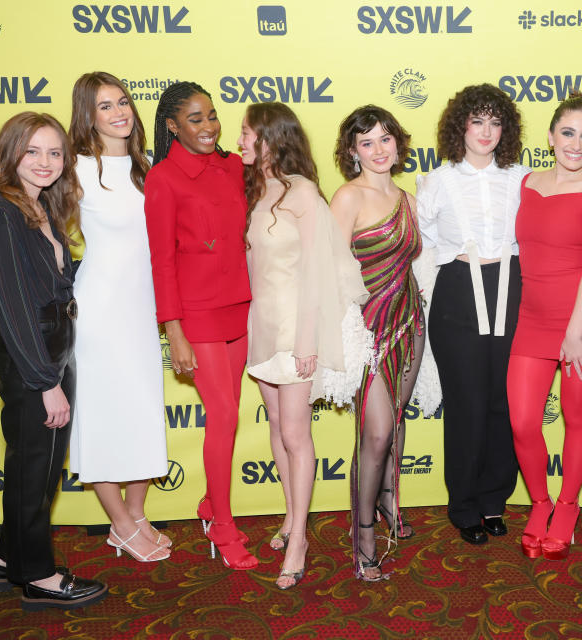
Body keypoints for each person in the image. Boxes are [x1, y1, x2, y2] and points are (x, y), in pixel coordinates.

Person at [0, 112, 108, 610]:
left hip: (55, 345)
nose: (45, 162)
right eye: (33, 151)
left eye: (55, 153)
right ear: (11, 153)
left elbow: (44, 283)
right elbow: (13, 308)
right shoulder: (0, 213)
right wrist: (45, 381)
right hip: (35, 355)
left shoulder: (36, 208)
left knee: (39, 467)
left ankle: (9, 560)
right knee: (36, 467)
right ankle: (39, 577)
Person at [240, 102, 370, 589]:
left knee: (296, 435)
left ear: (272, 138)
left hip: (297, 330)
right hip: (263, 327)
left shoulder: (303, 193)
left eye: (248, 134)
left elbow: (319, 273)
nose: (240, 142)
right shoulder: (255, 189)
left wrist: (306, 341)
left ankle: (299, 540)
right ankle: (292, 518)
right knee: (277, 428)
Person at [144, 81, 256, 570]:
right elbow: (161, 261)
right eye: (195, 118)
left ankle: (213, 504)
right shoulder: (163, 179)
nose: (209, 126)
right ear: (172, 125)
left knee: (229, 415)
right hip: (199, 314)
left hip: (240, 306)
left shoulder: (233, 166)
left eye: (212, 115)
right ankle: (222, 525)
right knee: (224, 416)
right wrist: (174, 330)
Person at [416, 84, 529, 545]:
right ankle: (463, 506)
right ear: (459, 125)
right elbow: (420, 245)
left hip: (514, 289)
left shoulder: (524, 178)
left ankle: (494, 501)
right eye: (477, 121)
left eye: (495, 122)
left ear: (506, 129)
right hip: (458, 293)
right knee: (465, 404)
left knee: (505, 402)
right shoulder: (436, 180)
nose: (486, 131)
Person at [67, 71, 170, 563]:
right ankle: (121, 524)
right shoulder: (74, 168)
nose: (119, 112)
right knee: (104, 416)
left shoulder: (147, 166)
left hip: (143, 309)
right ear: (88, 116)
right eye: (105, 106)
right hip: (101, 312)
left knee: (142, 412)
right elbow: (40, 228)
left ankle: (138, 514)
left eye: (123, 101)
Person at [508, 94, 582, 560]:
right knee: (524, 422)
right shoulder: (528, 183)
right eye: (568, 132)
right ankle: (540, 502)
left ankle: (567, 507)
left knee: (576, 418)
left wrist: (574, 332)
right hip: (531, 321)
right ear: (551, 137)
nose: (577, 143)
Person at [331, 105, 424, 580]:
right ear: (352, 151)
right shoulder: (348, 197)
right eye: (367, 142)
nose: (379, 149)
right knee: (376, 434)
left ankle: (391, 498)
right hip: (367, 332)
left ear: (398, 143)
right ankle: (362, 532)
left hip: (411, 322)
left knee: (397, 422)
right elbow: (327, 272)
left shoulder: (409, 197)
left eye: (385, 139)